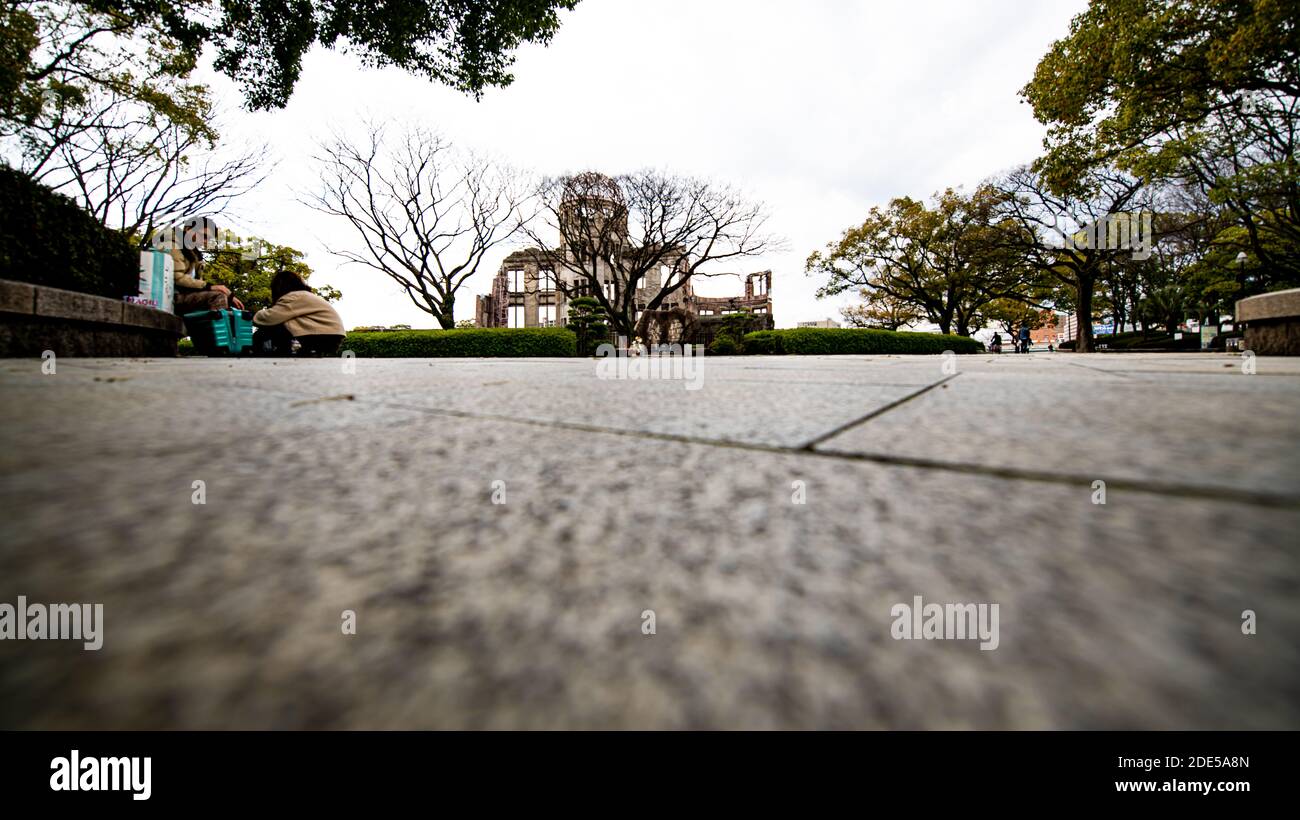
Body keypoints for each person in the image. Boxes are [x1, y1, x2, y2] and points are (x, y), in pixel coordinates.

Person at [252, 270, 345, 356]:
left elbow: (270, 318)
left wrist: (253, 315)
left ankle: (279, 351)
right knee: (287, 320)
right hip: (333, 336)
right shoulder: (305, 296)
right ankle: (302, 350)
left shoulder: (294, 297)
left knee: (273, 326)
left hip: (321, 336)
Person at [168, 216, 243, 315]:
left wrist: (229, 296)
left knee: (229, 305)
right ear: (188, 229)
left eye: (208, 239)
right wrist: (209, 287)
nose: (205, 241)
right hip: (168, 296)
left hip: (183, 297)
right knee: (217, 297)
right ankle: (212, 330)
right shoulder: (172, 245)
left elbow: (196, 284)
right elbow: (177, 278)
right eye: (203, 236)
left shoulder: (195, 255)